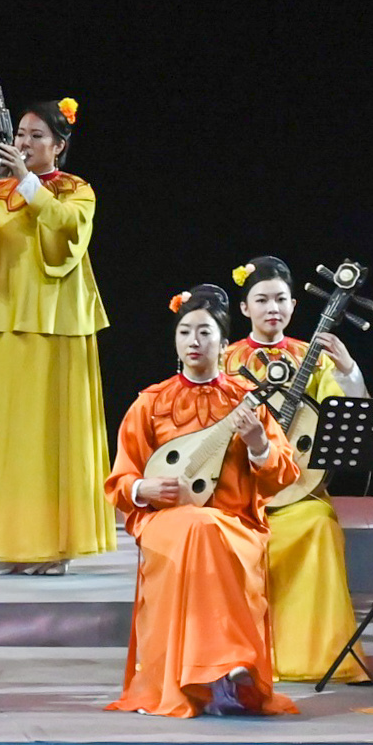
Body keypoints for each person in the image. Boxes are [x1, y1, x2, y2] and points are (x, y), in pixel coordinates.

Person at [106, 284, 303, 719]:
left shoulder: (245, 402)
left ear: (223, 342)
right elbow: (120, 480)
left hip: (235, 522)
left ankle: (215, 674)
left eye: (205, 332)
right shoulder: (151, 403)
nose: (194, 341)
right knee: (198, 526)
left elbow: (285, 474)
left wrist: (258, 444)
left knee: (207, 527)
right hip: (165, 522)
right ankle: (224, 668)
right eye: (185, 332)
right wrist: (144, 490)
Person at [0, 96, 107, 574]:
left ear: (59, 145)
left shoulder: (76, 190)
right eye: (19, 135)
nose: (24, 143)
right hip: (2, 321)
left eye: (36, 136)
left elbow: (67, 230)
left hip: (56, 326)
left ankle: (51, 547)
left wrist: (28, 183)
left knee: (50, 439)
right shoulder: (0, 190)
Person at [227, 257, 372, 687]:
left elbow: (350, 417)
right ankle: (236, 655)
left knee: (320, 524)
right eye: (261, 300)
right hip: (238, 494)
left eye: (281, 299)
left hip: (297, 492)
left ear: (294, 304)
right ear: (245, 308)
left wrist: (347, 370)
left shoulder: (312, 358)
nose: (272, 308)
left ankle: (316, 655)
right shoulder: (226, 359)